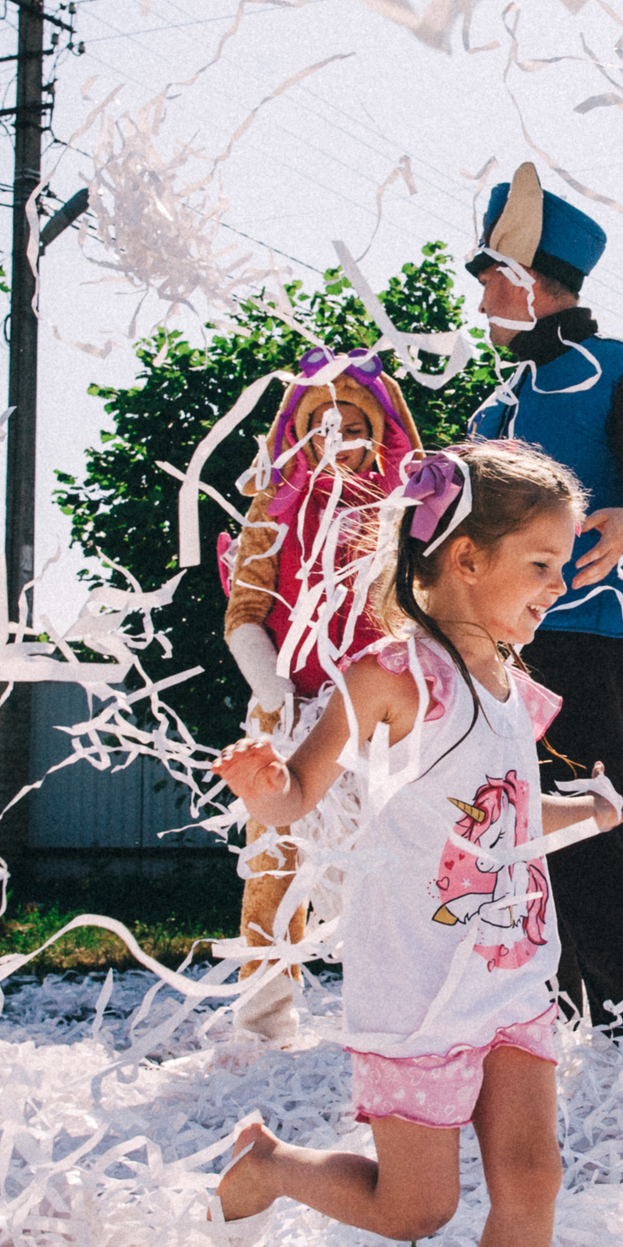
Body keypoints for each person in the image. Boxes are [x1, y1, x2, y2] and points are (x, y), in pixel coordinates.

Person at [211, 439, 623, 1247]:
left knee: (533, 1183)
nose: (558, 584)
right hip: (418, 992)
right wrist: (261, 784)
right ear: (466, 558)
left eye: (562, 565)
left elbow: (508, 816)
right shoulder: (391, 679)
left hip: (515, 977)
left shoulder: (514, 689)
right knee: (416, 1209)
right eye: (542, 563)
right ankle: (271, 1165)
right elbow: (296, 797)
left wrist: (589, 810)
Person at [462, 163, 623, 1040]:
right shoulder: (492, 407)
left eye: (489, 272)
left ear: (529, 280)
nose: (482, 292)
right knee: (505, 845)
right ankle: (545, 1027)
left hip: (577, 639)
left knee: (594, 845)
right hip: (485, 661)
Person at [216, 350, 424, 1043]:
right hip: (287, 709)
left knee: (392, 863)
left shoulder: (409, 514)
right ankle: (263, 1019)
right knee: (274, 859)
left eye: (352, 422)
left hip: (383, 720)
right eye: (319, 422)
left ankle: (392, 1016)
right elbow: (244, 610)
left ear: (381, 430)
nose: (335, 436)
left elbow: (423, 608)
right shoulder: (270, 510)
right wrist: (274, 695)